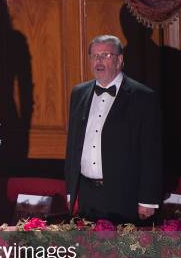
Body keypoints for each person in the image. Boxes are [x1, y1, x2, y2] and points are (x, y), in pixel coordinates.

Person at [64, 35, 162, 224]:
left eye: (105, 55)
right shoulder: (78, 93)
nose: (98, 61)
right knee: (89, 252)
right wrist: (71, 191)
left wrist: (148, 200)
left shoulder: (143, 97)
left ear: (119, 60)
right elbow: (73, 145)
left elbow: (151, 153)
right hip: (86, 194)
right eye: (94, 56)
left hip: (123, 195)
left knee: (123, 252)